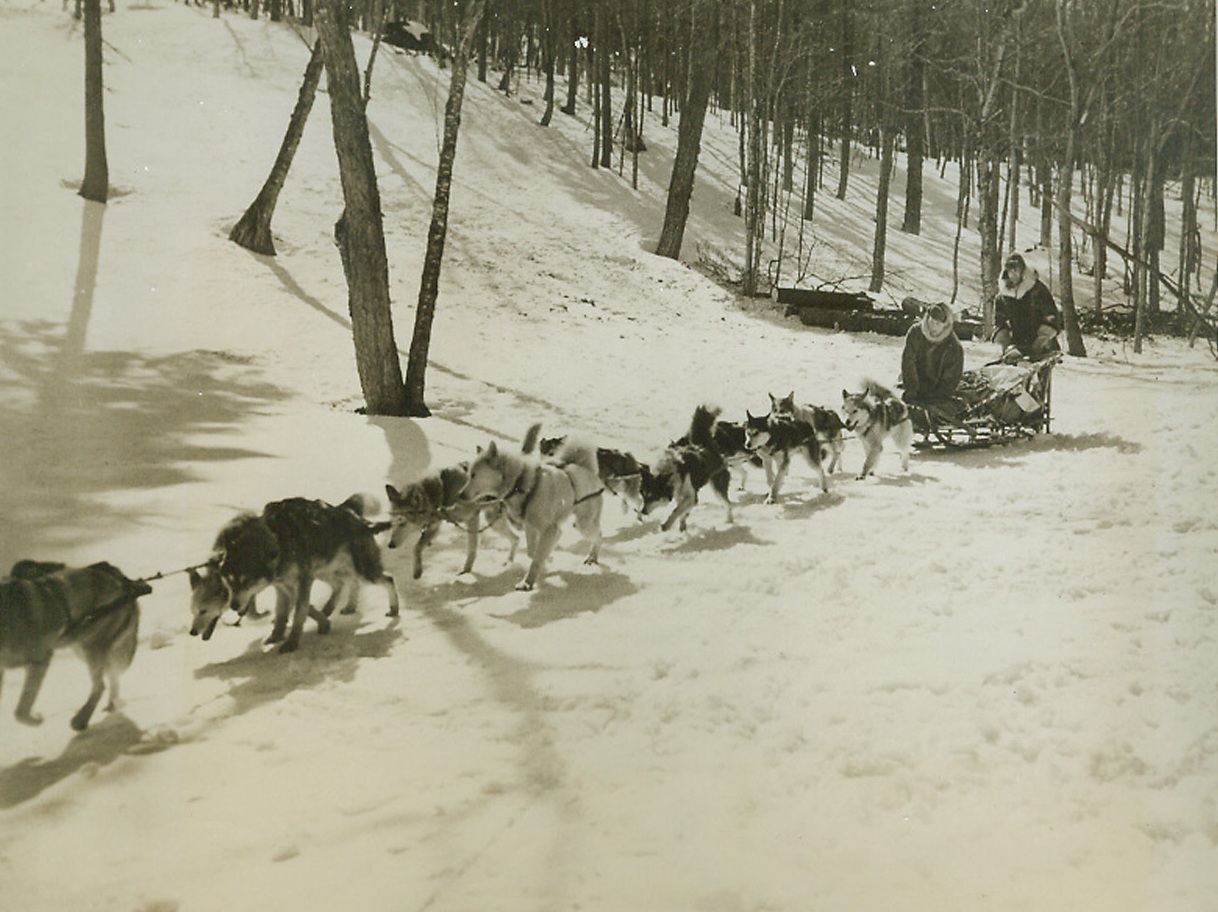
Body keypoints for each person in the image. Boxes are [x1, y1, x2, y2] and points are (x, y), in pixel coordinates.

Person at [993, 253, 1061, 361]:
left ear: (1023, 271)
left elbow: (1051, 316)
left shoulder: (1038, 290)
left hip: (1042, 345)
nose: (1013, 274)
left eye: (1016, 270)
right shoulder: (1002, 297)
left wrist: (1042, 339)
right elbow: (999, 323)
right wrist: (1004, 342)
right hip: (1016, 345)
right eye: (1010, 271)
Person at [900, 301, 964, 405]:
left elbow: (950, 379)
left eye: (937, 324)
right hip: (915, 387)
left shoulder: (954, 346)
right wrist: (912, 390)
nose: (933, 327)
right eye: (931, 322)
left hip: (937, 394)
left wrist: (935, 398)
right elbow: (908, 363)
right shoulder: (915, 333)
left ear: (945, 325)